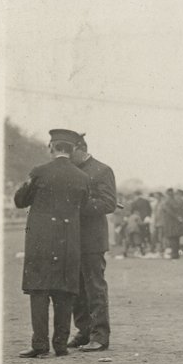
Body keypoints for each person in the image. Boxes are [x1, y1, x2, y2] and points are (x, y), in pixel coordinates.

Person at [13, 129, 91, 358]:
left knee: (39, 292)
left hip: (40, 242)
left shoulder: (39, 172)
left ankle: (39, 345)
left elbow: (20, 201)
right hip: (68, 242)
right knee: (65, 293)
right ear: (72, 150)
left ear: (51, 147)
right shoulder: (82, 177)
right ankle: (60, 345)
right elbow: (84, 206)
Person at [63, 135, 118, 352]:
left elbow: (109, 203)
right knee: (76, 289)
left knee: (94, 288)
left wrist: (77, 205)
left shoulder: (102, 170)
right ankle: (84, 331)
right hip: (71, 240)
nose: (68, 157)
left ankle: (100, 336)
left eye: (71, 152)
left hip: (92, 240)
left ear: (82, 148)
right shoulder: (69, 170)